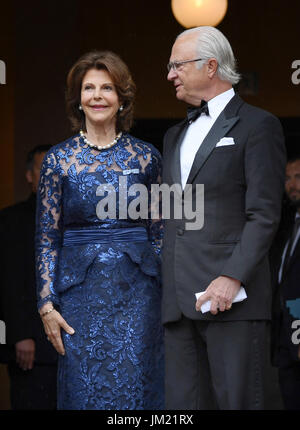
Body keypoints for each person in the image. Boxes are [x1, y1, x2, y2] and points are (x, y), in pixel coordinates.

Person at [162, 26, 286, 410]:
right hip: (179, 302)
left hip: (233, 299)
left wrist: (232, 277)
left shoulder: (258, 125)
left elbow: (264, 213)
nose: (170, 75)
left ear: (210, 66)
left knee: (239, 402)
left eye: (177, 65)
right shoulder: (173, 135)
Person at [35, 50, 164, 410]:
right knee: (83, 391)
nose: (97, 96)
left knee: (138, 390)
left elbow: (160, 232)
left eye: (106, 88)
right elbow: (48, 237)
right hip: (79, 298)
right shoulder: (58, 160)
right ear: (78, 99)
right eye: (88, 88)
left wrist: (170, 292)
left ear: (122, 98)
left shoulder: (147, 157)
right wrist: (46, 304)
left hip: (139, 295)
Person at [0, 145, 57, 410]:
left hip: (69, 349)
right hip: (29, 348)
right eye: (41, 169)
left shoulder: (72, 220)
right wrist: (20, 335)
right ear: (29, 176)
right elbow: (9, 282)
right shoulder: (11, 220)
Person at [271, 156, 300, 410]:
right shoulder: (288, 224)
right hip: (284, 329)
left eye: (298, 177)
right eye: (287, 178)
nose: (292, 185)